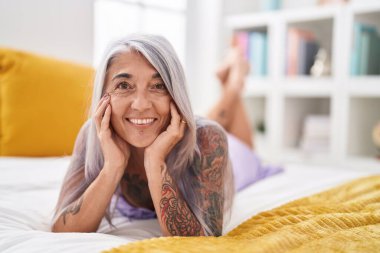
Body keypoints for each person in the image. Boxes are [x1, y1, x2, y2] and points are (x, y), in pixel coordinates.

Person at [52, 34, 274, 237]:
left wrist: (155, 162)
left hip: (238, 160)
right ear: (102, 96)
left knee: (212, 126)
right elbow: (62, 229)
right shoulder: (95, 135)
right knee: (203, 121)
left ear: (175, 93)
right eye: (123, 85)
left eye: (158, 86)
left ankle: (235, 83)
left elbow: (202, 241)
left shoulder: (209, 139)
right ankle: (232, 79)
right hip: (183, 128)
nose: (140, 104)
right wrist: (112, 166)